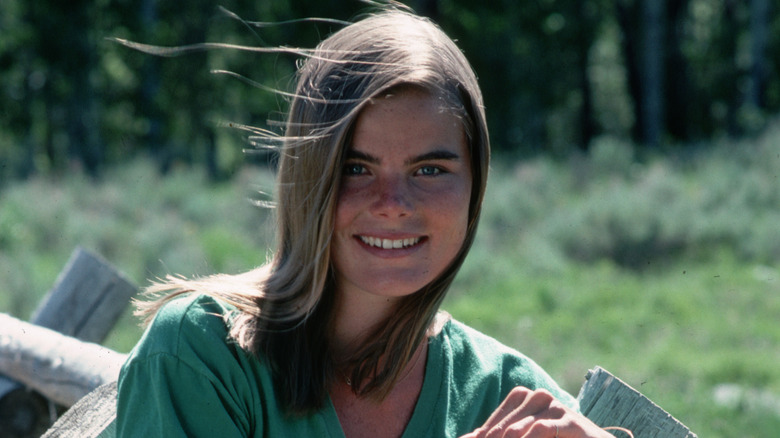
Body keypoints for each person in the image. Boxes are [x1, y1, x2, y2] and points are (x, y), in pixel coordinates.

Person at [116, 7, 618, 438]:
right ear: (306, 180)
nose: (393, 202)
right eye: (356, 168)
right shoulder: (203, 353)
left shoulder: (504, 392)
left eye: (430, 169)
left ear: (475, 187)